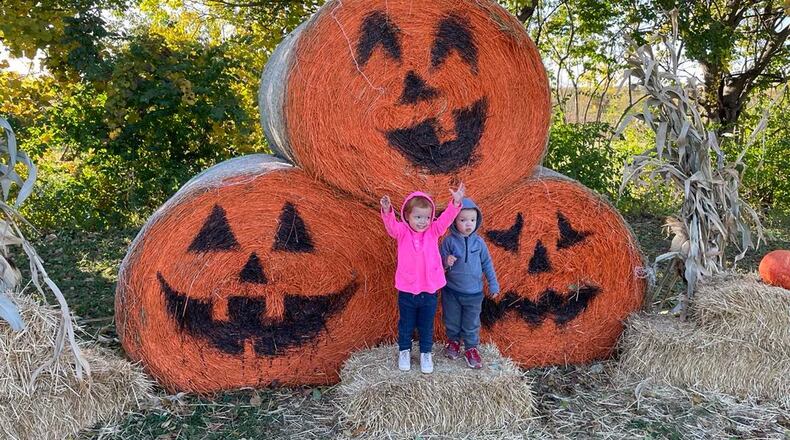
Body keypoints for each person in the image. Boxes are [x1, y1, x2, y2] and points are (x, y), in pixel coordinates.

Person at [380, 183, 465, 373]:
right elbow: (391, 227)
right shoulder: (402, 232)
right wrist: (387, 211)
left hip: (429, 290)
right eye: (418, 217)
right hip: (407, 290)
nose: (423, 221)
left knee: (427, 325)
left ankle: (426, 353)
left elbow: (446, 219)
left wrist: (456, 203)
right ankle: (404, 351)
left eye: (427, 217)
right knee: (406, 324)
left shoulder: (433, 231)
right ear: (407, 216)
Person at [440, 197, 500, 369]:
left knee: (471, 322)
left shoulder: (479, 243)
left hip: (474, 293)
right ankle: (453, 342)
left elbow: (487, 264)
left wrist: (493, 284)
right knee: (451, 319)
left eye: (472, 220)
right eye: (463, 220)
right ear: (454, 221)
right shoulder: (449, 241)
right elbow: (436, 263)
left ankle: (471, 348)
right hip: (451, 291)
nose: (468, 224)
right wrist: (445, 261)